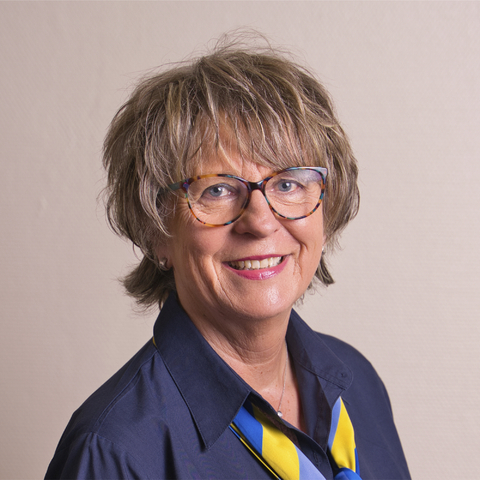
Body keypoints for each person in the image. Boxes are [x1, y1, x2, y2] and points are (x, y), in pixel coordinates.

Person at [46, 34, 410, 480]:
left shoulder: (358, 383)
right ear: (156, 230)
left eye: (288, 183)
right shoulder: (114, 453)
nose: (260, 221)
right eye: (217, 190)